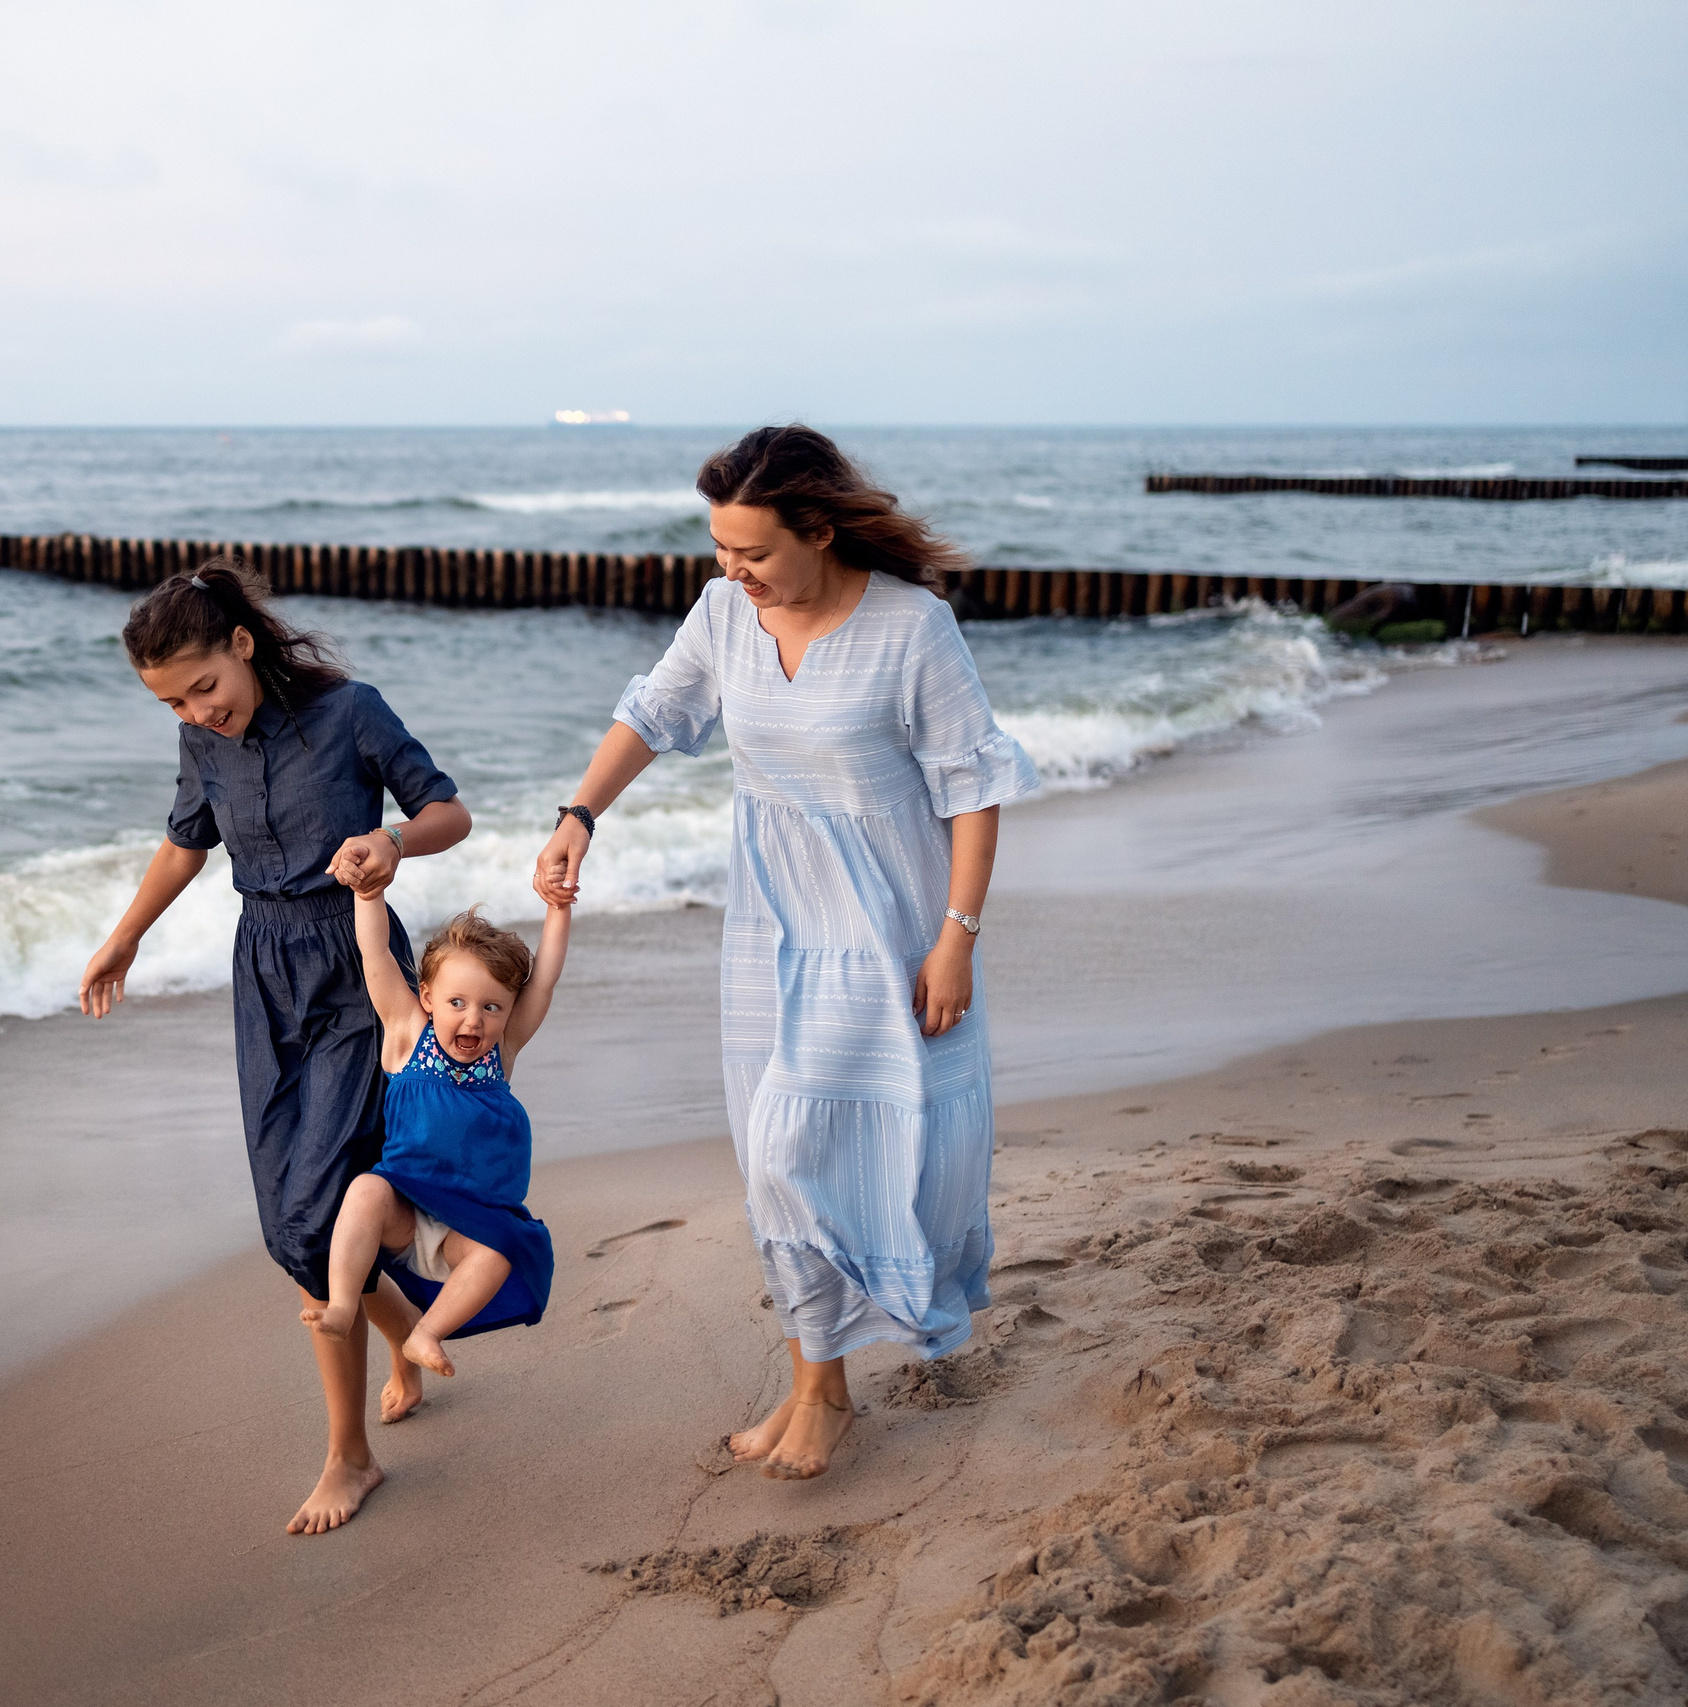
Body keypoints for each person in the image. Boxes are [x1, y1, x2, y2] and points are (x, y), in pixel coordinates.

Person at [532, 425, 1038, 1481]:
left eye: (752, 551)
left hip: (891, 929)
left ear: (818, 529)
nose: (731, 570)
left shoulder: (913, 629)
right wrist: (581, 812)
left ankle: (820, 1391)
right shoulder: (725, 615)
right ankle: (821, 1385)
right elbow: (655, 712)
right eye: (720, 548)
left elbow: (973, 789)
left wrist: (957, 937)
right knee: (772, 1159)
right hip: (771, 931)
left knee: (844, 1149)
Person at [79, 559, 472, 1536]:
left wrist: (394, 846)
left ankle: (349, 1456)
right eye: (171, 702)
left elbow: (445, 809)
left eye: (203, 687)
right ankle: (407, 1329)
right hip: (262, 973)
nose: (195, 712)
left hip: (358, 962)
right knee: (288, 1218)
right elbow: (185, 844)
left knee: (314, 1214)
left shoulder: (350, 713)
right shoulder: (200, 743)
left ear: (242, 645)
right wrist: (127, 933)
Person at [305, 897, 567, 1378]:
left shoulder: (500, 1053)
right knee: (366, 1188)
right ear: (427, 997)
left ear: (510, 1012)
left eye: (492, 1007)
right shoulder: (408, 1036)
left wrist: (558, 908)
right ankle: (342, 1306)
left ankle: (425, 1333)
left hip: (465, 1235)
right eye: (457, 1003)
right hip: (405, 1217)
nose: (474, 1020)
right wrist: (367, 896)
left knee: (498, 1253)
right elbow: (375, 954)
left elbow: (544, 979)